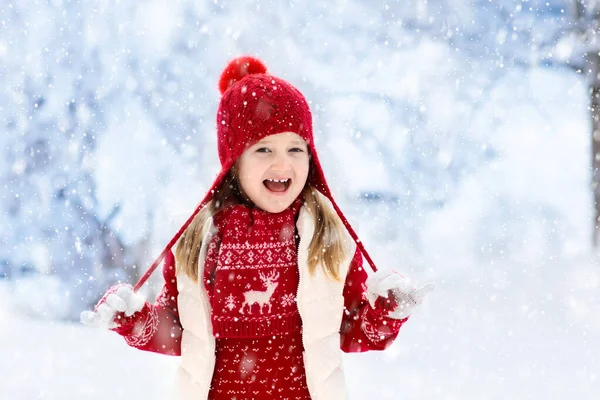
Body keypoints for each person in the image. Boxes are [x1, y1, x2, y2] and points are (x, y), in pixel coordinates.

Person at [81, 56, 434, 400]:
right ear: (234, 163)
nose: (283, 162)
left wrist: (384, 311)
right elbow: (177, 331)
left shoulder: (325, 236)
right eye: (263, 149)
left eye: (296, 148)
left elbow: (353, 327)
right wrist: (135, 320)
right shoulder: (199, 240)